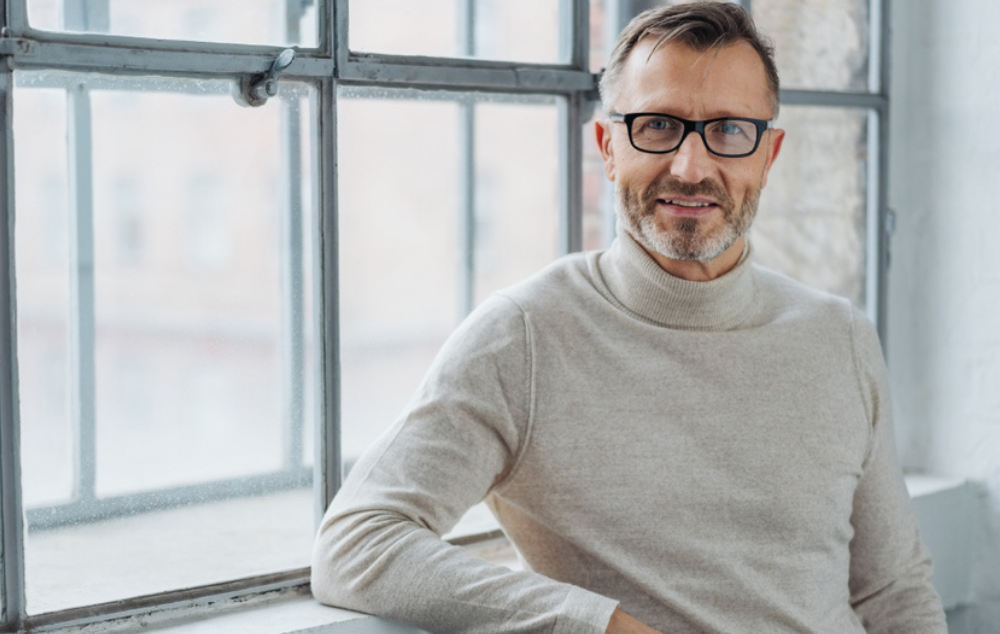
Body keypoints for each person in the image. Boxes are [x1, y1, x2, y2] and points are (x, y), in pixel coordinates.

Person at [310, 3, 948, 633]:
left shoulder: (840, 337)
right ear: (607, 147)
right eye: (658, 126)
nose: (691, 168)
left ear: (768, 156)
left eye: (729, 130)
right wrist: (598, 625)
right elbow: (356, 544)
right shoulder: (524, 336)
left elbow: (895, 595)